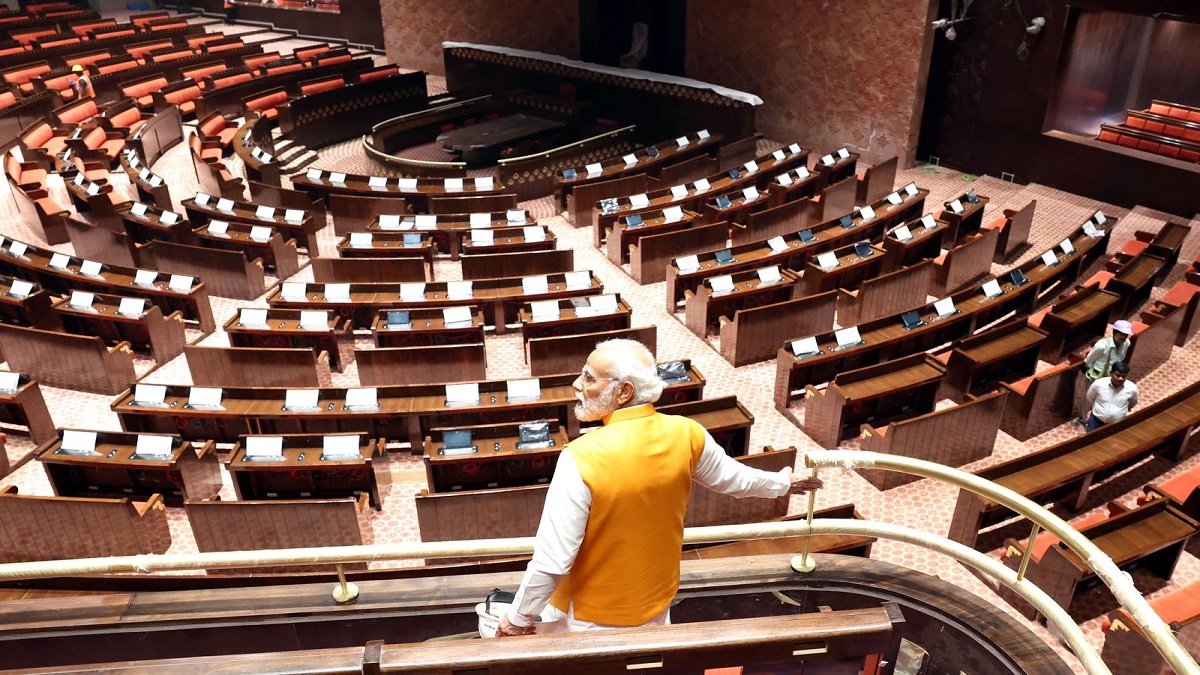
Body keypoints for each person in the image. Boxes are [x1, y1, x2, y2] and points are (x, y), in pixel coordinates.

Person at [496, 339, 823, 636]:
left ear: (623, 392)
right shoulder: (686, 432)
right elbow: (735, 479)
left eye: (589, 377)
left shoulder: (580, 457)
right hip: (659, 600)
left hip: (593, 615)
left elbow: (553, 560)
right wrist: (783, 483)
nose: (577, 385)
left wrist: (518, 618)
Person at [1077, 319, 1132, 425]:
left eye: (1126, 334)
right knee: (1089, 398)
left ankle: (1098, 417)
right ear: (1115, 332)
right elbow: (1088, 361)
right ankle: (1082, 419)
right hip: (1096, 376)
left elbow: (1121, 357)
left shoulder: (1126, 343)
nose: (1124, 337)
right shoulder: (1102, 346)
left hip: (1111, 376)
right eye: (1122, 334)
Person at [1084, 360, 1137, 432]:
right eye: (1118, 375)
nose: (1120, 379)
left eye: (1123, 376)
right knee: (1089, 440)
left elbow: (1132, 403)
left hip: (1116, 424)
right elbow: (1090, 397)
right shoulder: (1099, 384)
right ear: (1111, 373)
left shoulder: (1132, 388)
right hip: (1096, 420)